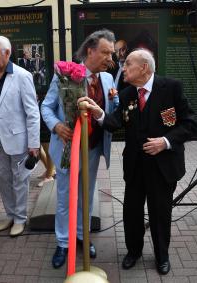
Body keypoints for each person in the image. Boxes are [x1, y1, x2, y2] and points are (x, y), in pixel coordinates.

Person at [79, 49, 197, 275]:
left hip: (162, 168)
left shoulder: (171, 88)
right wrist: (98, 113)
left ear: (143, 67)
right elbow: (115, 122)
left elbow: (190, 124)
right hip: (134, 167)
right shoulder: (127, 94)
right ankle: (134, 251)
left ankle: (162, 256)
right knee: (131, 212)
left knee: (160, 213)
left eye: (128, 64)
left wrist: (165, 141)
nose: (123, 68)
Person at [41, 29, 119, 269]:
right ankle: (63, 243)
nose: (110, 58)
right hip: (67, 148)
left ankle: (82, 237)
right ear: (90, 50)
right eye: (106, 52)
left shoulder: (107, 79)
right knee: (66, 196)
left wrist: (113, 101)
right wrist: (56, 127)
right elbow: (46, 106)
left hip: (93, 149)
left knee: (87, 194)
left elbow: (111, 111)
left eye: (112, 54)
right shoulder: (65, 75)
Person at [0, 36, 40, 237]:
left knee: (20, 178)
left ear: (7, 53)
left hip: (18, 138)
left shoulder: (22, 76)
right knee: (3, 177)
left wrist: (34, 143)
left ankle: (20, 218)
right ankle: (10, 214)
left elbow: (32, 112)